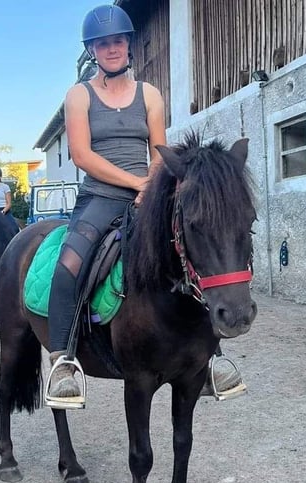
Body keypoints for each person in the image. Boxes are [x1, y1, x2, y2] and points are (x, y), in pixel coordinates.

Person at [46, 4, 243, 407]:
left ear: (128, 45)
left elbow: (159, 149)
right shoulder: (78, 95)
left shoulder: (149, 93)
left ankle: (211, 358)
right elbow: (82, 155)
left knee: (188, 254)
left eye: (118, 41)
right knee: (68, 266)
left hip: (148, 194)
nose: (112, 49)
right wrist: (138, 182)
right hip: (101, 196)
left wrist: (153, 187)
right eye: (103, 44)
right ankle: (62, 360)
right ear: (93, 51)